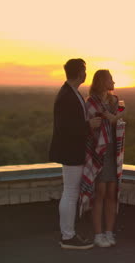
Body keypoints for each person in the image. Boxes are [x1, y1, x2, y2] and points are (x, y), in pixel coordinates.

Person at [49, 58, 101, 250]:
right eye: (84, 71)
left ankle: (69, 234)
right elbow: (65, 128)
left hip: (72, 150)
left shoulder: (71, 93)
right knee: (70, 192)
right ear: (80, 73)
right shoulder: (66, 96)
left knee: (70, 192)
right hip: (71, 151)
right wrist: (89, 125)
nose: (86, 74)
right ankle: (68, 237)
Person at [79, 69, 126, 248]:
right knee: (99, 194)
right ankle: (98, 234)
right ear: (102, 82)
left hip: (113, 153)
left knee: (111, 194)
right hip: (98, 154)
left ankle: (109, 232)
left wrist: (113, 117)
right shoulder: (91, 103)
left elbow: (123, 110)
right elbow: (87, 128)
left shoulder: (114, 101)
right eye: (110, 79)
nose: (113, 82)